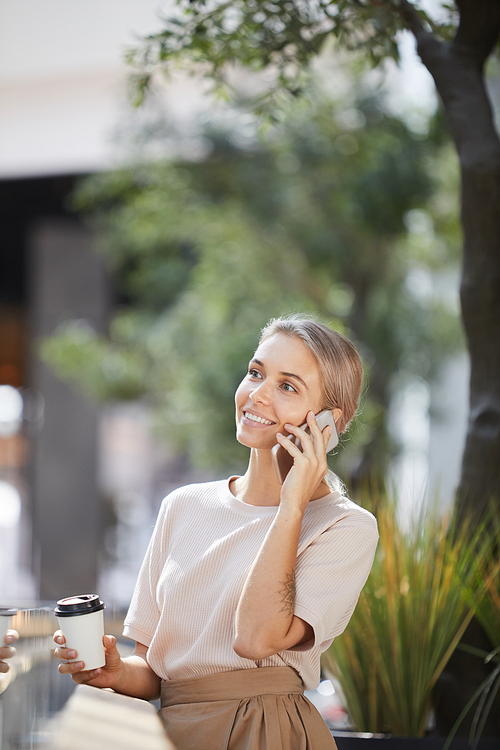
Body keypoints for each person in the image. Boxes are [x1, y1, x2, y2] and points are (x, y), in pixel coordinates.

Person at [54, 315, 378, 749]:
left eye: (287, 387)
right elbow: (154, 668)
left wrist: (293, 504)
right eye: (256, 373)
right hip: (171, 734)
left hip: (266, 734)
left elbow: (256, 639)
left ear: (328, 422)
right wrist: (115, 672)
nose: (257, 394)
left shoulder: (345, 527)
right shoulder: (183, 507)